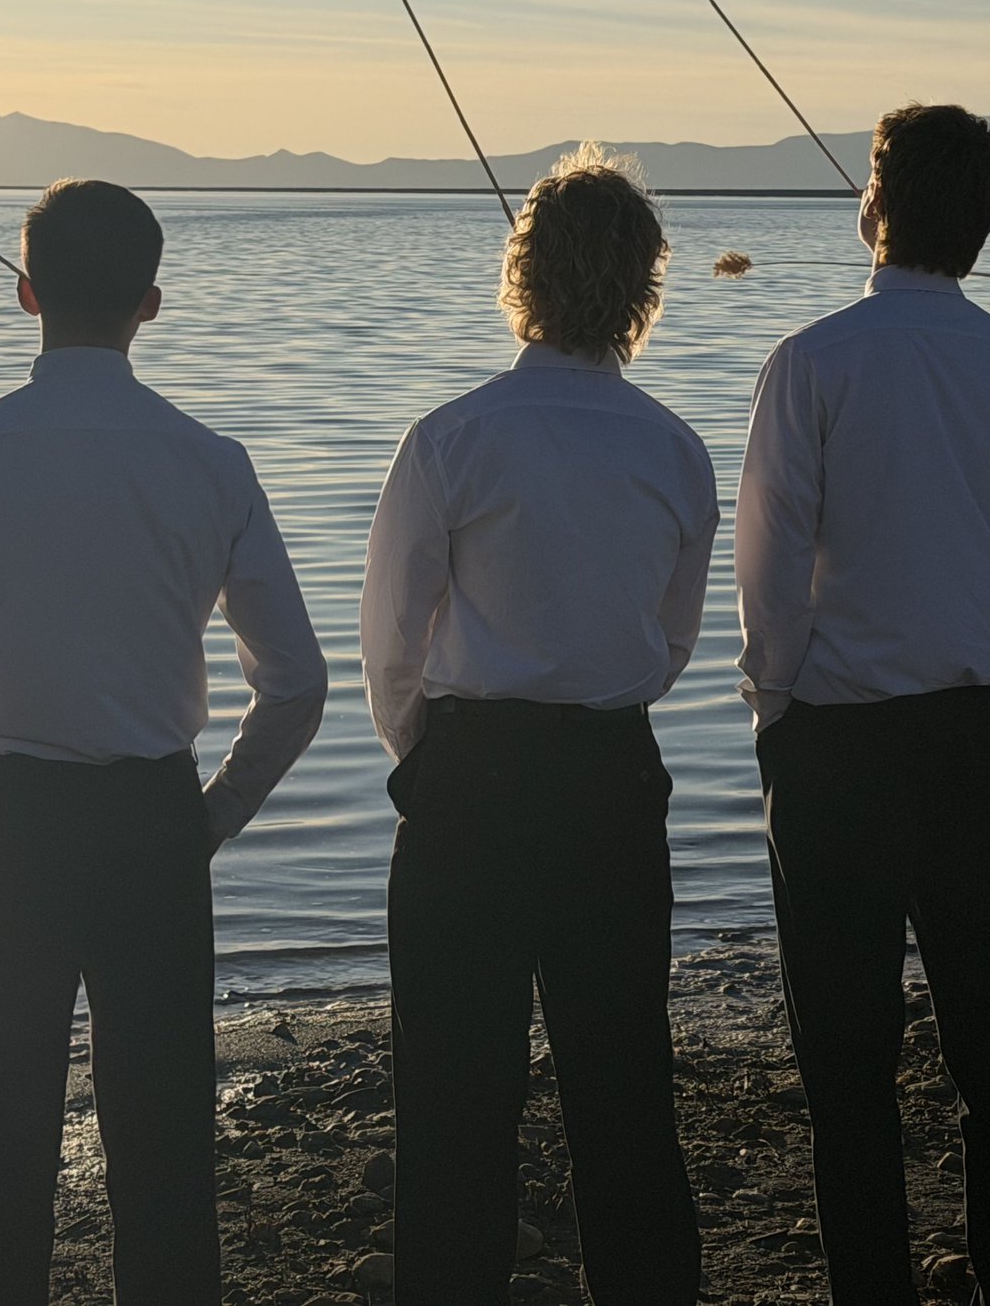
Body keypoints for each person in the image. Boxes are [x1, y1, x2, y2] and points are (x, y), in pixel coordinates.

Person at [0, 178, 328, 1306]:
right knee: (165, 1153)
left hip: (6, 827)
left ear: (26, 292)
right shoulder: (212, 463)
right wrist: (210, 816)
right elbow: (297, 684)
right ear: (149, 304)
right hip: (152, 821)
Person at [737, 103, 990, 1306]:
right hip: (967, 736)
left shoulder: (811, 361)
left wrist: (773, 701)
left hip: (833, 738)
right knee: (989, 1027)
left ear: (874, 205)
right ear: (982, 226)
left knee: (846, 1053)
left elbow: (771, 570)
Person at [362, 146, 714, 1306]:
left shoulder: (450, 438)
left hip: (470, 781)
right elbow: (668, 643)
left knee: (454, 1097)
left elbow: (390, 640)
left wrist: (426, 757)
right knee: (623, 1086)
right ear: (642, 288)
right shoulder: (673, 449)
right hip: (610, 777)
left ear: (521, 275)